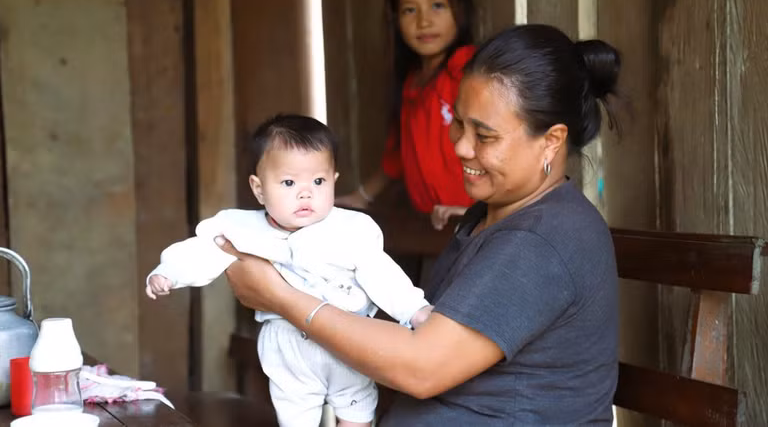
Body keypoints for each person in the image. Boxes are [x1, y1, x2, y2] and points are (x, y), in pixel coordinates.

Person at [217, 24, 623, 425]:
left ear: (551, 140)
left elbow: (421, 367)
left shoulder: (544, 239)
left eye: (484, 136)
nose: (461, 146)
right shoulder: (493, 216)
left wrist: (280, 297)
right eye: (459, 123)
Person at [145, 114, 432, 427]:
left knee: (356, 411)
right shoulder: (241, 227)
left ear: (334, 181)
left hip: (348, 339)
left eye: (318, 182)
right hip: (288, 349)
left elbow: (382, 274)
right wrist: (168, 273)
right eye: (289, 183)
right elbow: (201, 251)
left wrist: (414, 310)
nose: (305, 193)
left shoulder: (351, 230)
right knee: (295, 415)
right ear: (259, 189)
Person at [336, 0, 477, 230]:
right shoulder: (412, 82)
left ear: (460, 8)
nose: (424, 21)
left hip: (475, 225)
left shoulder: (468, 69)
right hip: (433, 229)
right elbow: (398, 157)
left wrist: (480, 211)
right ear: (395, 19)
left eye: (438, 5)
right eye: (410, 10)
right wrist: (362, 197)